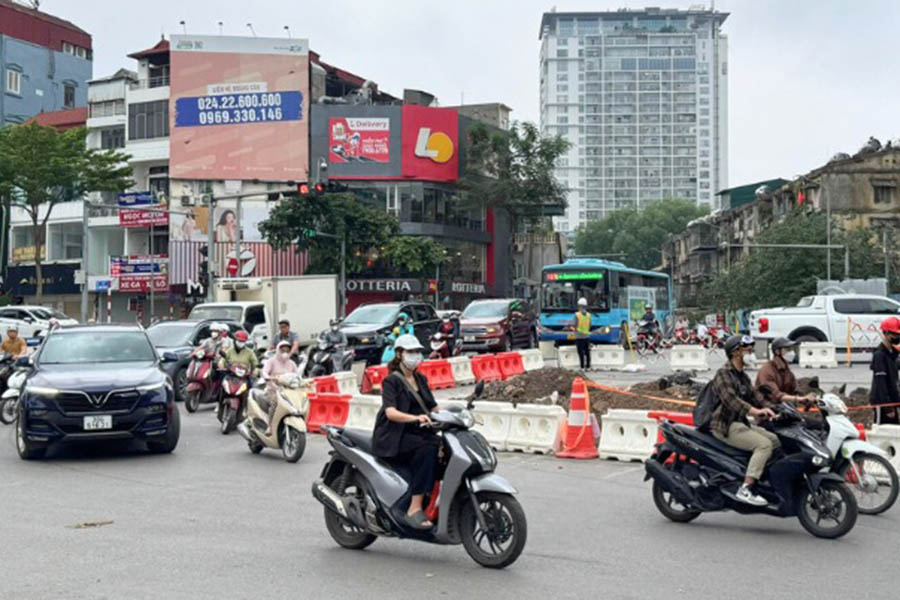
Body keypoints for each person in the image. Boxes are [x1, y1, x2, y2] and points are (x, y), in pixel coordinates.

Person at [372, 334, 440, 530]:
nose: (416, 356)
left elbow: (433, 407)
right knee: (428, 448)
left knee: (443, 447)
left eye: (418, 352)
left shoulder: (420, 378)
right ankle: (414, 507)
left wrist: (458, 412)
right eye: (411, 352)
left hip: (416, 432)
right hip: (394, 435)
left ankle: (433, 498)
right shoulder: (391, 381)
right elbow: (391, 412)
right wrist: (416, 418)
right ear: (400, 354)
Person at [710, 335, 779, 507]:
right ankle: (746, 488)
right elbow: (731, 400)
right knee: (764, 445)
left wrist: (776, 409)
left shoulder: (743, 377)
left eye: (751, 349)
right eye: (748, 349)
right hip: (725, 425)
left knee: (776, 440)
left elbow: (756, 397)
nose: (752, 352)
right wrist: (755, 411)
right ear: (736, 353)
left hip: (741, 424)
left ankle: (763, 480)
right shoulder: (723, 374)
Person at [261, 340, 299, 436]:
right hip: (273, 390)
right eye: (283, 350)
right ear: (278, 350)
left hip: (289, 391)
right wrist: (268, 377)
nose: (285, 352)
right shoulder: (271, 361)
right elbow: (264, 372)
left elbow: (298, 375)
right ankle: (270, 426)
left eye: (287, 350)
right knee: (275, 402)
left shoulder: (292, 363)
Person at [870, 317, 900, 425]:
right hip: (882, 402)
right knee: (882, 431)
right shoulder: (880, 355)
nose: (897, 337)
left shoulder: (892, 353)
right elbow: (880, 382)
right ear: (886, 333)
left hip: (893, 399)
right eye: (895, 334)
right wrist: (887, 406)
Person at [572, 298, 592, 370]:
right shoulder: (589, 315)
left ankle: (582, 367)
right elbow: (590, 325)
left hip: (579, 336)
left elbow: (574, 325)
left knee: (580, 352)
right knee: (587, 352)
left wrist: (572, 328)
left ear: (579, 306)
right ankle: (588, 366)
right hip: (586, 336)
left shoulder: (577, 315)